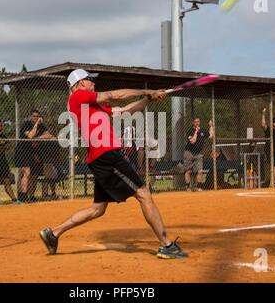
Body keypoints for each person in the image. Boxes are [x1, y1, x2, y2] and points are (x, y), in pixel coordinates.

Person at [39, 69, 187, 259]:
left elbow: (124, 111)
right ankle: (166, 245)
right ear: (79, 85)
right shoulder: (79, 97)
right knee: (143, 194)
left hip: (99, 158)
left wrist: (149, 99)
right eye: (89, 80)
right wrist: (146, 91)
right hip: (107, 156)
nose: (93, 83)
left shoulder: (89, 104)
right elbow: (114, 96)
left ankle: (53, 233)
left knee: (97, 209)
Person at [15, 110, 52, 202]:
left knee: (34, 175)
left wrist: (38, 138)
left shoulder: (42, 126)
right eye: (34, 116)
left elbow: (49, 135)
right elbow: (30, 136)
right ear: (31, 117)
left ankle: (30, 196)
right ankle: (23, 196)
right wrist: (36, 126)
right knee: (26, 172)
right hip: (22, 150)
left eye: (37, 116)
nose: (36, 118)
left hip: (32, 152)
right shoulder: (27, 124)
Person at [184, 117, 214, 192]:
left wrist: (211, 126)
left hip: (198, 154)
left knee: (200, 171)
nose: (197, 123)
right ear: (193, 123)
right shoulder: (190, 131)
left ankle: (198, 187)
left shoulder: (203, 130)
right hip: (189, 153)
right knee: (188, 171)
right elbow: (193, 141)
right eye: (195, 122)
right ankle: (188, 187)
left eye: (198, 121)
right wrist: (196, 132)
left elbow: (211, 136)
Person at [0, 120, 19, 203]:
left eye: (1, 126)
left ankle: (14, 199)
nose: (0, 128)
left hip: (3, 161)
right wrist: (2, 147)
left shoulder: (3, 136)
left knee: (7, 181)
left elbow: (8, 146)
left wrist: (1, 148)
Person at [261, 109, 275, 189]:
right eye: (274, 121)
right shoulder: (269, 129)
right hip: (270, 151)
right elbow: (263, 125)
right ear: (272, 122)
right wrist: (263, 114)